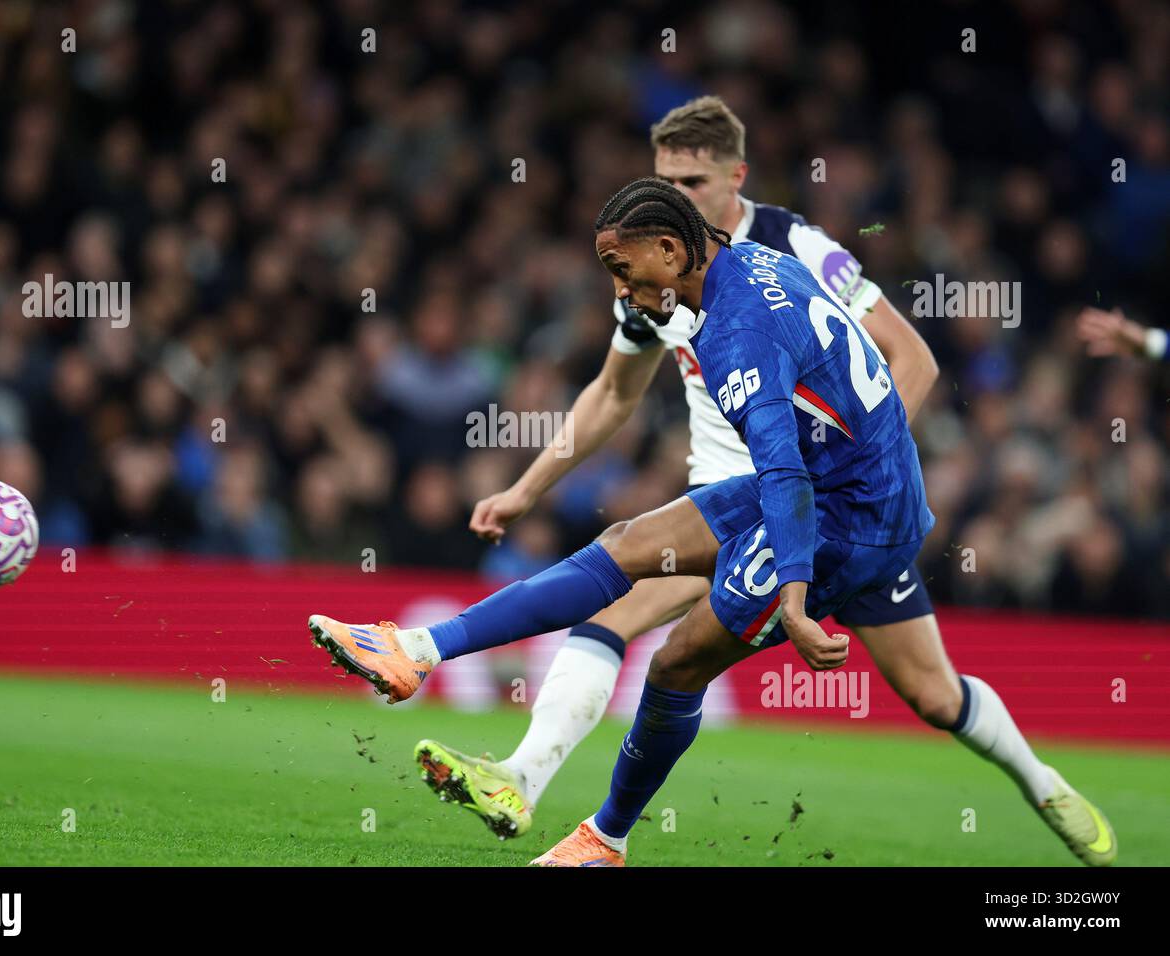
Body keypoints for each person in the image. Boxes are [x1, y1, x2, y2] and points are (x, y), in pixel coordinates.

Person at [308, 176, 1116, 868]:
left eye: (622, 272)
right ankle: (416, 649)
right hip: (854, 481)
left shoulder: (733, 337)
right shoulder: (755, 259)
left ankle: (605, 838)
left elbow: (784, 475)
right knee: (624, 548)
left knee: (676, 667)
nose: (620, 292)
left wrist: (795, 597)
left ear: (669, 248)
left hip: (849, 519)